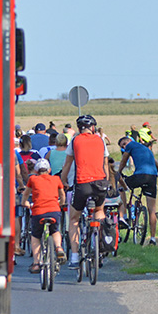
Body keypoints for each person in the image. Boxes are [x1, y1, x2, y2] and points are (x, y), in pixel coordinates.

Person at [60, 115, 109, 269]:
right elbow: (105, 163)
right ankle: (98, 246)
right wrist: (107, 182)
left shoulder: (75, 140)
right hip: (100, 183)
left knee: (74, 219)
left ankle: (74, 258)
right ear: (93, 127)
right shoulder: (100, 140)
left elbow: (67, 164)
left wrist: (63, 181)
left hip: (82, 184)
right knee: (100, 210)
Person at [22, 159, 67, 273]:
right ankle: (59, 248)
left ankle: (36, 263)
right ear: (49, 170)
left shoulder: (32, 179)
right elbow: (62, 195)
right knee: (55, 231)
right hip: (54, 210)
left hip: (38, 212)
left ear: (36, 171)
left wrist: (25, 203)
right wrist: (60, 203)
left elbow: (26, 194)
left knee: (36, 236)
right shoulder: (56, 179)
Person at [118, 135, 158, 245]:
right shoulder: (146, 149)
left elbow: (123, 161)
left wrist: (118, 173)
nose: (124, 147)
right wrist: (152, 175)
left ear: (128, 141)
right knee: (152, 209)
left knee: (120, 187)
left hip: (140, 175)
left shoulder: (130, 144)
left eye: (123, 144)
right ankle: (153, 238)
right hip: (152, 177)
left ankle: (123, 216)